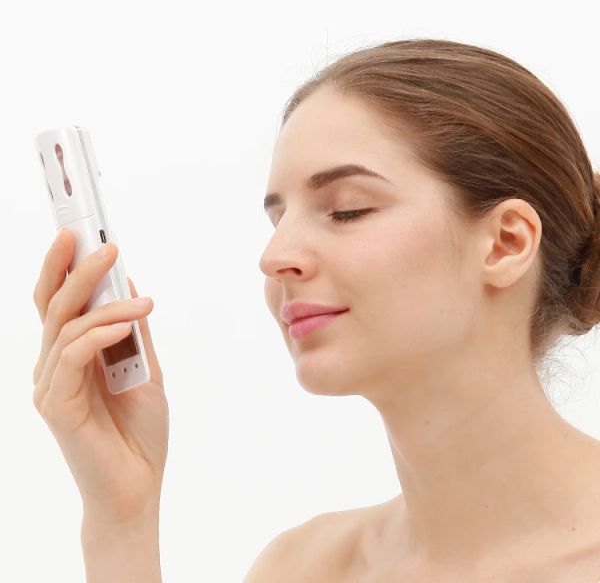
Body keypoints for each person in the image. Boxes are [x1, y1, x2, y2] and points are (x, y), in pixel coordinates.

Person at [32, 38, 600, 581]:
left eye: (346, 210)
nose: (274, 257)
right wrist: (121, 520)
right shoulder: (300, 570)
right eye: (279, 220)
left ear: (506, 242)